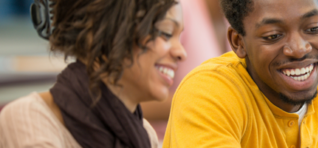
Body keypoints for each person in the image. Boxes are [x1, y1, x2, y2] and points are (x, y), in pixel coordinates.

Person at [162, 0, 318, 147]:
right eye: (273, 35)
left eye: (313, 29)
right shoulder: (208, 95)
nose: (299, 49)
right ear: (238, 42)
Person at [0, 0, 185, 147]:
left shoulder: (144, 134)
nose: (181, 52)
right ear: (104, 28)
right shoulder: (30, 120)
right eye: (166, 33)